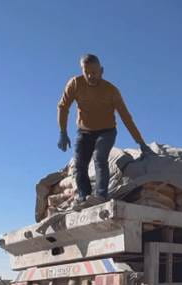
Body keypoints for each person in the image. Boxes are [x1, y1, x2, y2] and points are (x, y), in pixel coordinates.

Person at [57, 53, 151, 208]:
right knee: (79, 165)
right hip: (84, 132)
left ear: (101, 71)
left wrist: (141, 143)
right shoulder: (75, 83)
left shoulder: (111, 91)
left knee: (99, 158)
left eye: (93, 72)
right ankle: (83, 196)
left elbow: (126, 118)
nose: (90, 76)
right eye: (86, 72)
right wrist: (62, 131)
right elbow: (63, 106)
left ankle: (101, 195)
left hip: (106, 131)